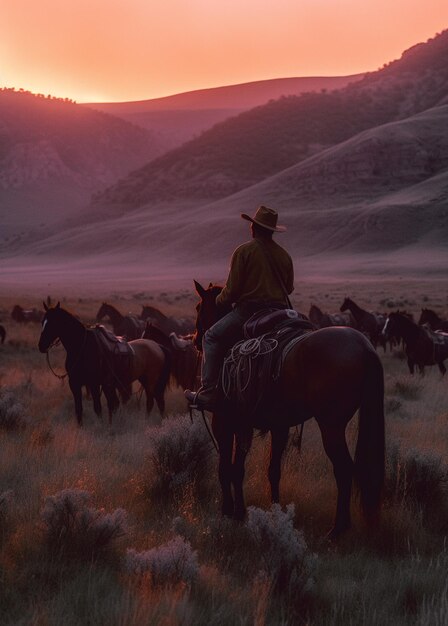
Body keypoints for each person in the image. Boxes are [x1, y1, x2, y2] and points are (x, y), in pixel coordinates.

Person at [185, 205, 294, 410]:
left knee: (210, 337)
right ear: (271, 230)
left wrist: (216, 302)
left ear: (254, 227)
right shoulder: (284, 255)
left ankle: (208, 391)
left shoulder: (244, 251)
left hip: (249, 312)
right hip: (280, 313)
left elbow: (232, 291)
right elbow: (289, 288)